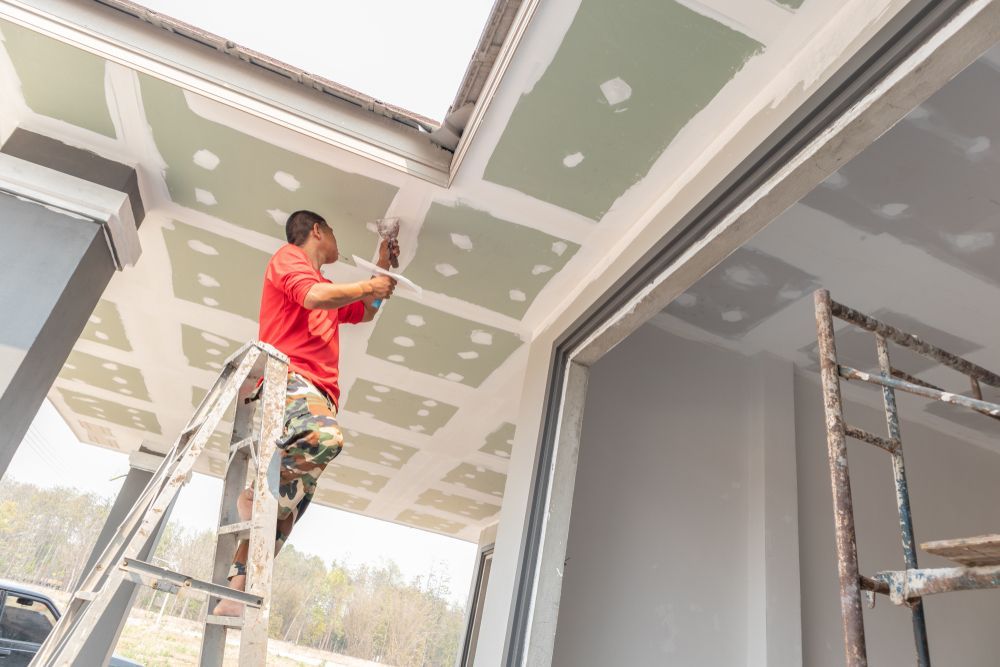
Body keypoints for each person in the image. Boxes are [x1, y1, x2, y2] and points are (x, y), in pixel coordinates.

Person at [213, 210, 396, 616]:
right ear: (316, 231)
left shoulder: (329, 288)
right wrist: (370, 282)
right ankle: (255, 494)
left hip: (321, 395)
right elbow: (311, 296)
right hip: (291, 380)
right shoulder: (288, 259)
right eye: (331, 231)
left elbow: (365, 310)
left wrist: (381, 267)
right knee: (325, 438)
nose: (335, 239)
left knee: (285, 513)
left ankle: (234, 593)